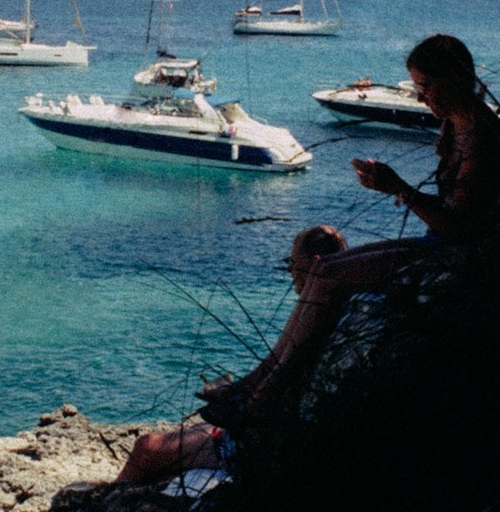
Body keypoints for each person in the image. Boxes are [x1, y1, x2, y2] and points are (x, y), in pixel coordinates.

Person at [201, 34, 500, 427]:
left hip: (457, 257)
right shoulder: (456, 124)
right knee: (326, 267)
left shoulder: (482, 136)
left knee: (328, 274)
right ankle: (254, 383)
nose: (420, 97)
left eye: (425, 86)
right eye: (417, 88)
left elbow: (459, 227)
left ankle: (260, 399)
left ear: (454, 78)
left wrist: (400, 189)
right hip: (441, 246)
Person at [116, 225, 347, 485]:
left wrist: (242, 410)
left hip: (260, 446)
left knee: (147, 448)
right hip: (277, 431)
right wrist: (238, 389)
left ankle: (98, 508)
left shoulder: (316, 311)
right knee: (186, 434)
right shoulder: (332, 307)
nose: (289, 271)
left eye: (292, 263)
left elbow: (273, 384)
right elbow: (275, 366)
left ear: (314, 264)